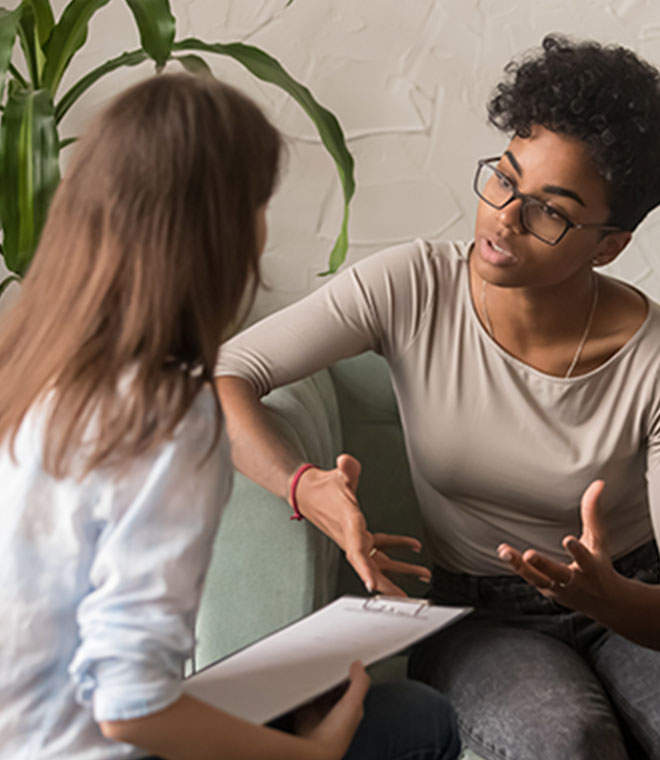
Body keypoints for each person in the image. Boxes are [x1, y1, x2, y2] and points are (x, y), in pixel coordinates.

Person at [215, 34, 660, 760]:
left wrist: (610, 597)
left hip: (636, 602)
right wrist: (305, 485)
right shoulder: (413, 285)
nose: (506, 218)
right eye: (505, 179)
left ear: (608, 245)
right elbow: (228, 374)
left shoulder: (651, 358)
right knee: (562, 739)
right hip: (485, 618)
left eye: (552, 211)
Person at [0, 74, 460, 760]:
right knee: (413, 721)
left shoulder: (34, 363)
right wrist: (304, 755)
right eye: (257, 203)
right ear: (216, 230)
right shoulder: (166, 418)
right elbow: (128, 706)